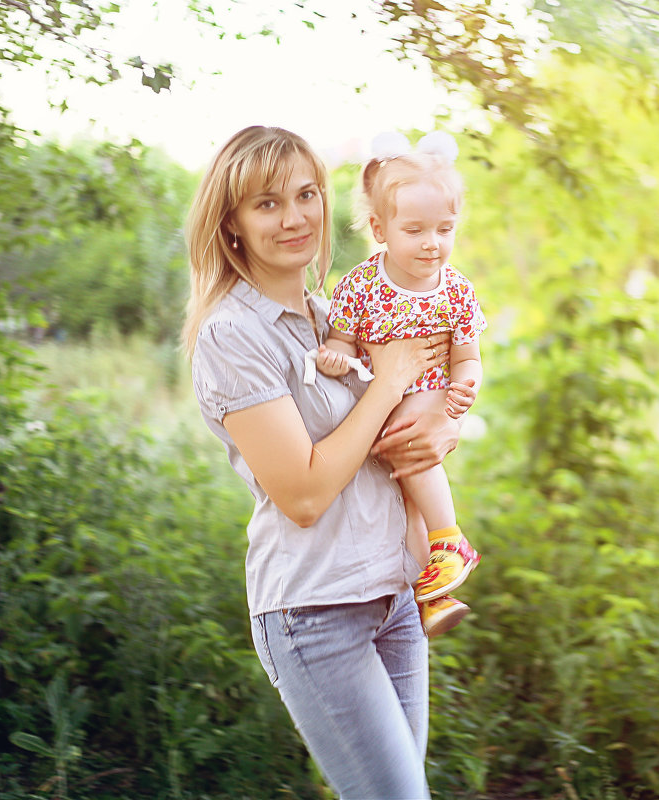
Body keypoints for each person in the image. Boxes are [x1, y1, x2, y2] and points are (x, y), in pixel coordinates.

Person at [183, 125, 460, 799]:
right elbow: (303, 493)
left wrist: (443, 429)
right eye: (268, 203)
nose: (296, 216)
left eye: (307, 194)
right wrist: (389, 382)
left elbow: (407, 419)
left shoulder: (334, 315)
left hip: (393, 596)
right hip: (316, 612)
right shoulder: (231, 336)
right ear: (233, 224)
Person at [312, 131, 484, 637]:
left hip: (426, 398)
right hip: (379, 401)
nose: (432, 243)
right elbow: (343, 339)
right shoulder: (360, 285)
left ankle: (451, 541)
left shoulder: (455, 290)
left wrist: (464, 391)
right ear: (380, 229)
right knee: (403, 507)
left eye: (444, 229)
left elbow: (467, 357)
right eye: (415, 230)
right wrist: (336, 356)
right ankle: (432, 595)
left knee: (412, 448)